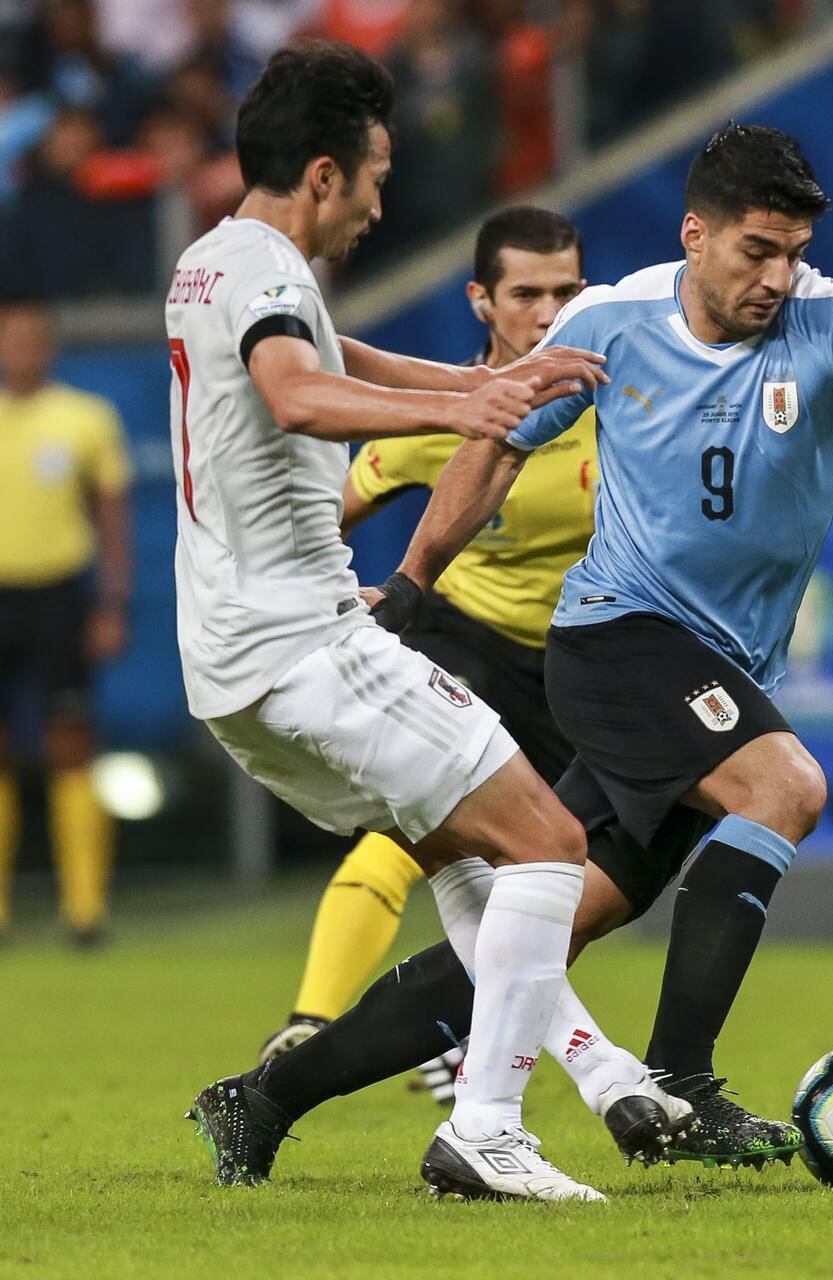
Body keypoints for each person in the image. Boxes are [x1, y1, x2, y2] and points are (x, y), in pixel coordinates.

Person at [350, 121, 833, 1164]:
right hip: (617, 637)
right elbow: (498, 444)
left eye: (793, 252)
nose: (779, 275)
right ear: (696, 234)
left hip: (722, 667)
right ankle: (681, 1082)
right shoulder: (611, 320)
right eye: (755, 251)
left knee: (551, 921)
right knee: (788, 787)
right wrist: (411, 586)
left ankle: (274, 1092)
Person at [167, 41, 680, 1204]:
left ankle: (602, 1078)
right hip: (304, 640)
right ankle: (485, 1126)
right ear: (321, 174)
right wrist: (461, 404)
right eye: (375, 175)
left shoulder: (210, 261)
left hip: (231, 664)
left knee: (472, 856)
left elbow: (337, 359)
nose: (381, 201)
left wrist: (475, 390)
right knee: (553, 842)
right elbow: (300, 392)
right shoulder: (270, 276)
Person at [256, 205, 594, 1104]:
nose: (550, 311)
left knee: (546, 883)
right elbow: (323, 519)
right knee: (409, 835)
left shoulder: (615, 397)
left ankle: (461, 1043)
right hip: (465, 644)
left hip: (576, 671)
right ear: (483, 301)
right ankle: (311, 1023)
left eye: (568, 290)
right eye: (528, 292)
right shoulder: (445, 415)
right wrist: (324, 597)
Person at [0, 295, 131, 946]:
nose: (20, 348)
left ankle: (85, 912)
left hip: (58, 595)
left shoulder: (85, 418)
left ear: (47, 345)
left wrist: (111, 604)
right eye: (10, 338)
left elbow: (111, 516)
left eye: (30, 337)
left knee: (70, 741)